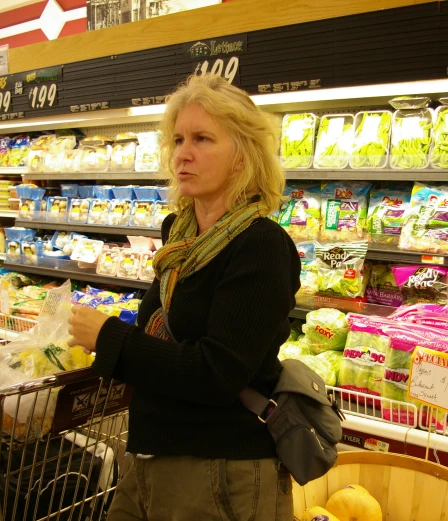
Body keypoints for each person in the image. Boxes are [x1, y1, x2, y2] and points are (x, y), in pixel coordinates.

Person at [68, 74, 301, 521]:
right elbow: (159, 338)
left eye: (202, 139)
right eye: (177, 139)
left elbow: (217, 374)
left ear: (243, 155)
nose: (183, 154)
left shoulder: (261, 245)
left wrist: (110, 339)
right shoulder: (179, 236)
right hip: (150, 457)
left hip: (220, 472)